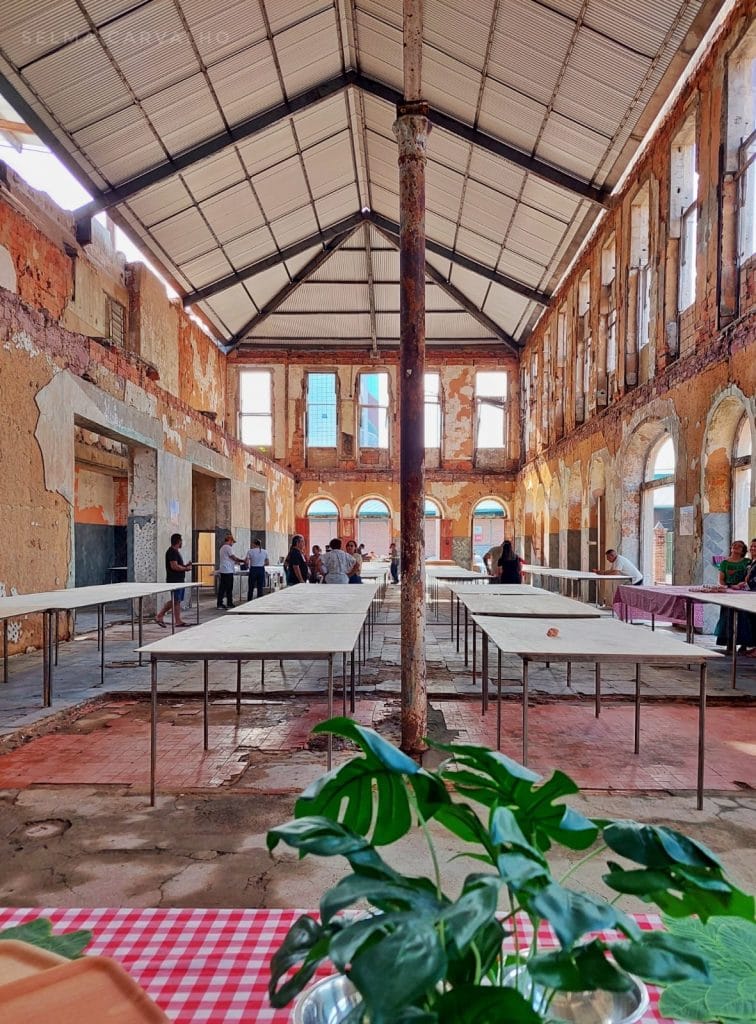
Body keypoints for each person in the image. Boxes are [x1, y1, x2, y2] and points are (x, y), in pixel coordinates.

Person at [714, 539, 750, 650]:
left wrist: (741, 584)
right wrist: (730, 587)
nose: (735, 547)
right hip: (728, 593)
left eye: (739, 546)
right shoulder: (725, 563)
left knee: (744, 619)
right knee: (727, 618)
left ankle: (744, 643)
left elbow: (749, 577)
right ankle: (729, 642)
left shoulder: (746, 562)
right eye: (734, 545)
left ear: (743, 550)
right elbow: (721, 579)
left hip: (743, 594)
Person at [155, 533, 192, 627]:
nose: (182, 543)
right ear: (178, 541)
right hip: (174, 580)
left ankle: (178, 620)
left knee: (177, 601)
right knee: (175, 600)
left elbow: (177, 565)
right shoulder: (172, 551)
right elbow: (174, 566)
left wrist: (185, 566)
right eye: (181, 541)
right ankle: (160, 615)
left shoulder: (175, 552)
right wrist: (185, 569)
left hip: (179, 579)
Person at [218, 532, 245, 609]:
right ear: (230, 540)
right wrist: (242, 561)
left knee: (222, 588)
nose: (233, 543)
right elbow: (233, 557)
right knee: (229, 588)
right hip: (228, 570)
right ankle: (229, 603)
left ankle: (220, 603)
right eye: (232, 542)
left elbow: (229, 559)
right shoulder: (228, 548)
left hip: (224, 570)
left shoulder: (222, 548)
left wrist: (236, 562)